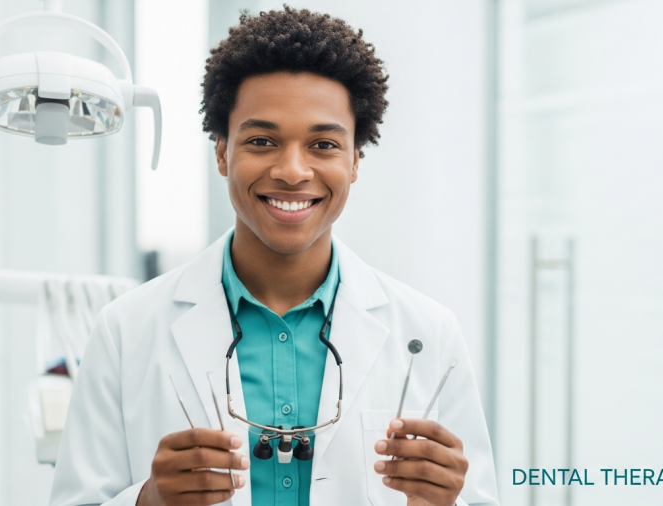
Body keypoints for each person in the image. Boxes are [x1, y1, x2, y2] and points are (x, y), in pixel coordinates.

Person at [50, 7, 498, 506]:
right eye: (262, 141)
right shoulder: (125, 332)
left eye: (323, 144)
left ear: (354, 161)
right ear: (221, 152)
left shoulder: (429, 334)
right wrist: (147, 500)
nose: (291, 170)